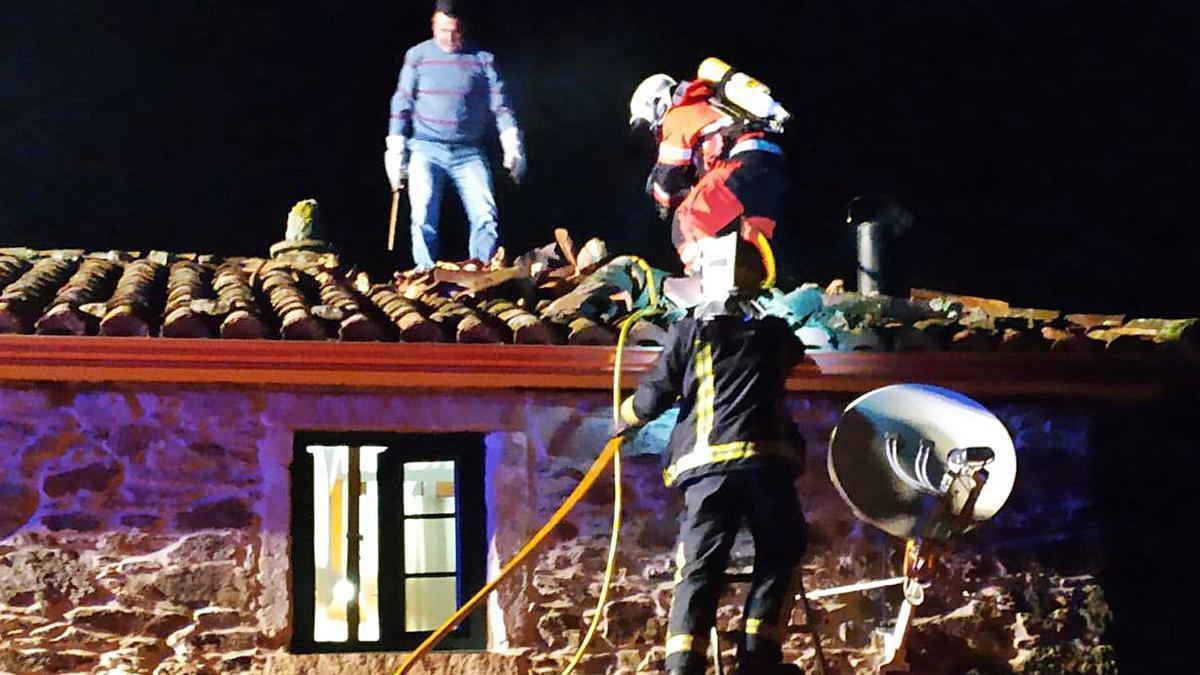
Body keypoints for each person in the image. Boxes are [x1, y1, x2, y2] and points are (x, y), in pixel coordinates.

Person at [617, 235, 808, 675]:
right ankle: (759, 659)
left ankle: (683, 666)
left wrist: (622, 419)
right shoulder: (774, 334)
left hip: (708, 473)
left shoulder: (688, 332)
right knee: (781, 551)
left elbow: (652, 399)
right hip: (767, 468)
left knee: (699, 569)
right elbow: (795, 355)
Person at [384, 0, 525, 270]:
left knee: (485, 214)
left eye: (455, 31)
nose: (449, 38)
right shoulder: (418, 56)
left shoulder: (483, 59)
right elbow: (401, 104)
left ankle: (481, 269)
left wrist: (512, 145)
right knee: (423, 214)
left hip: (468, 151)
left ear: (464, 28)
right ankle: (425, 270)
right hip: (426, 148)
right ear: (433, 25)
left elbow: (502, 106)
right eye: (443, 30)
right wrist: (396, 150)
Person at [629, 64, 789, 275]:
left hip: (742, 161)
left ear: (657, 105)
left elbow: (667, 176)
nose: (654, 130)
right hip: (771, 165)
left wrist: (662, 198)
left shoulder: (678, 115)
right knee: (752, 239)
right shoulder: (711, 107)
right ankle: (756, 284)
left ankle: (709, 278)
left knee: (686, 220)